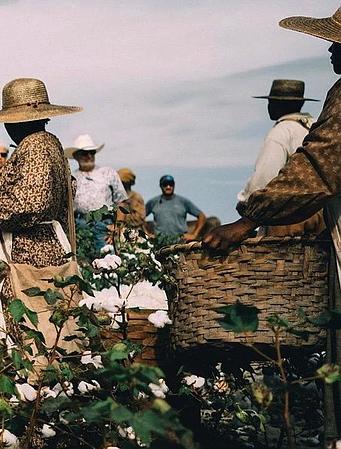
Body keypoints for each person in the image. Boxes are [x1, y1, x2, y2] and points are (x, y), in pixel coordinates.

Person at [203, 7, 341, 438]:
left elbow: (315, 170)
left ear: (277, 105)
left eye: (338, 44)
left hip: (287, 214)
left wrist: (247, 222)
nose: (332, 52)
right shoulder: (306, 123)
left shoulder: (284, 131)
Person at [0, 77, 81, 343]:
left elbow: (29, 205)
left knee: (27, 323)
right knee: (50, 320)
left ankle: (28, 380)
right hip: (47, 242)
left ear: (15, 121)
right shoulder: (50, 144)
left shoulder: (36, 146)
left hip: (28, 248)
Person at [237, 79, 325, 236]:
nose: (269, 107)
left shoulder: (281, 132)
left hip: (290, 218)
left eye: (271, 103)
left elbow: (265, 177)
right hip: (322, 214)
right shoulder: (317, 127)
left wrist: (247, 204)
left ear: (278, 105)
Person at [66, 134, 128, 251]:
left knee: (108, 263)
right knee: (82, 265)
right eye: (85, 153)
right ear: (76, 156)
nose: (89, 156)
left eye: (92, 152)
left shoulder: (108, 173)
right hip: (79, 226)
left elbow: (121, 201)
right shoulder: (70, 178)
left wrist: (117, 228)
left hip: (104, 225)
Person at [145, 174, 205, 242]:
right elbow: (139, 218)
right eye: (165, 184)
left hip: (180, 241)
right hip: (160, 242)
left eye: (170, 184)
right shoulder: (153, 202)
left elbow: (201, 216)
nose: (168, 187)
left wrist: (194, 234)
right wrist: (147, 233)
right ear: (160, 186)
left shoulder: (183, 201)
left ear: (174, 185)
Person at [117, 167, 149, 234]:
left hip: (134, 233)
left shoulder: (136, 197)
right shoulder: (116, 197)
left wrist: (122, 217)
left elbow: (139, 218)